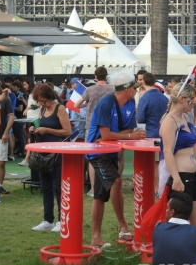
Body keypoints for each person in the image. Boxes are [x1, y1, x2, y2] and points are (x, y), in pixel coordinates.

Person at [86, 69, 146, 247]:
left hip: (111, 151)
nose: (136, 89)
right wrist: (126, 137)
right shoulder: (106, 103)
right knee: (116, 182)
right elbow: (105, 135)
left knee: (99, 196)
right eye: (134, 87)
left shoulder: (128, 104)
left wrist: (119, 135)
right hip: (97, 152)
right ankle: (123, 226)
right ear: (126, 89)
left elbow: (128, 130)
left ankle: (96, 237)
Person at [159, 84, 196, 227]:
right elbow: (167, 151)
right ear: (181, 99)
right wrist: (176, 178)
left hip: (193, 177)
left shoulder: (185, 117)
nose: (194, 102)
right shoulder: (169, 121)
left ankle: (194, 249)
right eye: (191, 99)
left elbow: (193, 146)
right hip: (181, 177)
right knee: (178, 223)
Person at [30, 84, 72, 232]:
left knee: (57, 187)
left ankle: (61, 220)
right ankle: (48, 219)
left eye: (43, 100)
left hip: (57, 153)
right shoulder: (42, 109)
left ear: (49, 97)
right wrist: (35, 129)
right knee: (46, 187)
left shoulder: (59, 109)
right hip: (43, 153)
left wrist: (47, 129)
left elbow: (67, 131)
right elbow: (42, 125)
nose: (41, 103)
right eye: (39, 101)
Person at [75, 66, 115, 196]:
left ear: (95, 76)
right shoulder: (112, 89)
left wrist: (88, 104)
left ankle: (93, 188)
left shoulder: (90, 90)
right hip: (108, 126)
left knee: (92, 157)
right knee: (110, 155)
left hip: (91, 126)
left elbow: (76, 104)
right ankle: (110, 186)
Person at [138, 72, 169, 139]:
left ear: (143, 81)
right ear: (154, 82)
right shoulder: (165, 98)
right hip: (163, 133)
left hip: (150, 133)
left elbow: (140, 118)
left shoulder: (144, 98)